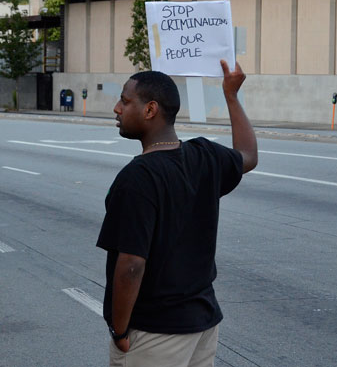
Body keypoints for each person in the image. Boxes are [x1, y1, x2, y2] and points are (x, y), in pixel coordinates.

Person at [97, 60, 258, 367]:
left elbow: (131, 265)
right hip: (203, 323)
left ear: (150, 110)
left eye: (125, 100)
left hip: (156, 332)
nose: (117, 108)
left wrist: (119, 330)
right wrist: (232, 96)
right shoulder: (205, 156)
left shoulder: (137, 177)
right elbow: (248, 156)